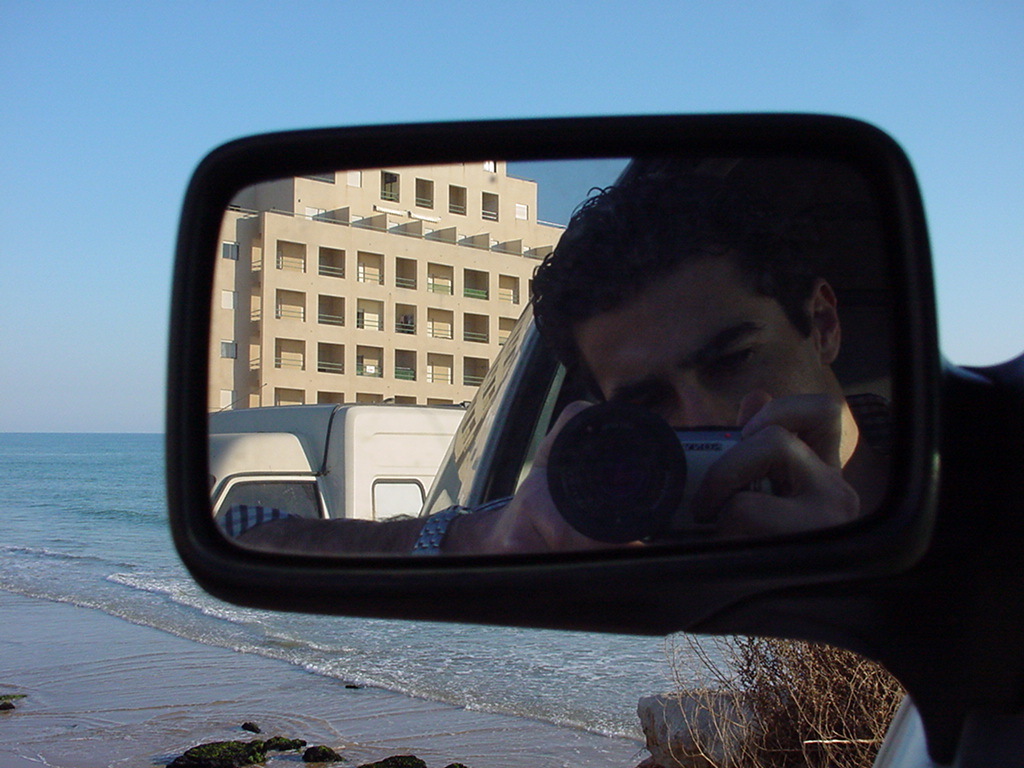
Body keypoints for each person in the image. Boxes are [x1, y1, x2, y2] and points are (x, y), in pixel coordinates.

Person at [234, 163, 890, 555]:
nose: (702, 417)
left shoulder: (975, 487)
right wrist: (491, 538)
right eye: (646, 404)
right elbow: (247, 531)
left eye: (733, 359)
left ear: (822, 324)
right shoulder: (614, 520)